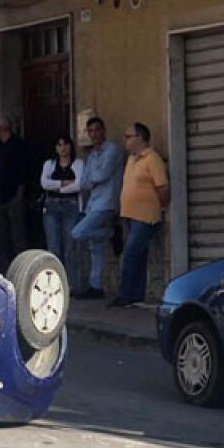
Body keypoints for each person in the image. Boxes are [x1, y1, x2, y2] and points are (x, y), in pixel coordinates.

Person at [112, 122, 169, 307]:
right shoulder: (131, 159)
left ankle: (125, 294)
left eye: (129, 137)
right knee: (139, 254)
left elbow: (163, 187)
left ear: (141, 138)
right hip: (129, 215)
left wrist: (159, 206)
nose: (126, 141)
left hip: (146, 217)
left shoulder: (152, 159)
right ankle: (136, 295)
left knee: (130, 253)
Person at [71, 116, 124, 300]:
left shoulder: (113, 150)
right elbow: (84, 182)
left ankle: (111, 233)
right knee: (96, 247)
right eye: (90, 131)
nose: (93, 134)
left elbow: (102, 175)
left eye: (96, 130)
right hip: (93, 203)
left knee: (78, 233)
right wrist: (92, 178)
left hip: (107, 202)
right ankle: (96, 286)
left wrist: (92, 177)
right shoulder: (92, 155)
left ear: (104, 131)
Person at [41, 134, 84, 287]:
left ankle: (72, 284)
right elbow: (44, 183)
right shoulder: (49, 164)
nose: (63, 148)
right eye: (59, 145)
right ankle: (55, 284)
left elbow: (79, 185)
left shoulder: (78, 163)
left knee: (70, 248)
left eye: (65, 144)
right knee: (54, 248)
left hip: (71, 206)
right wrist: (64, 183)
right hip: (51, 206)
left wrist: (57, 187)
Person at [0, 116, 29, 271]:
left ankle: (22, 269)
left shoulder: (18, 145)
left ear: (2, 128)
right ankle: (4, 270)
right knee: (0, 238)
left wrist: (19, 195)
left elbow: (23, 171)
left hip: (14, 196)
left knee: (17, 236)